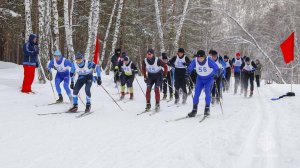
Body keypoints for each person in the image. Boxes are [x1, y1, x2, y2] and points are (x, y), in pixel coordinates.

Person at [186, 50, 219, 117]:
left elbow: (217, 68)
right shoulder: (195, 61)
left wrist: (216, 75)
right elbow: (190, 67)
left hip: (209, 79)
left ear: (204, 57)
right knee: (196, 93)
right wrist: (187, 73)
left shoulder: (208, 61)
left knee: (207, 92)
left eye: (201, 58)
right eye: (198, 58)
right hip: (200, 79)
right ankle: (194, 110)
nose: (200, 59)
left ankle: (207, 109)